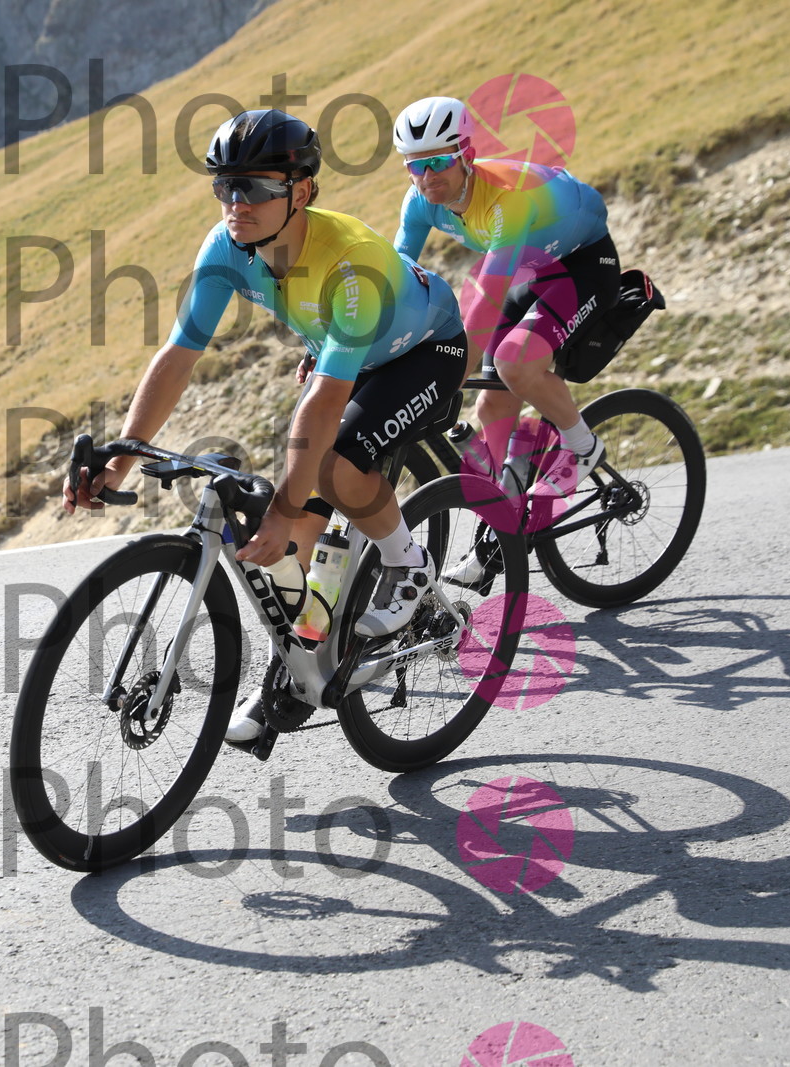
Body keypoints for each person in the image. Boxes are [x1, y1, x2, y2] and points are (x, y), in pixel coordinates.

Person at [62, 108, 468, 742]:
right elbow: (179, 355)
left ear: (301, 192)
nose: (236, 203)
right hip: (346, 347)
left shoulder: (351, 262)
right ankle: (301, 667)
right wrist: (120, 462)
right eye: (224, 186)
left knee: (326, 471)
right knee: (291, 544)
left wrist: (283, 506)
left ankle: (406, 562)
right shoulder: (228, 246)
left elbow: (324, 401)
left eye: (252, 188)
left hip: (424, 350)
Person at [391, 96, 620, 584]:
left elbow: (485, 305)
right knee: (492, 404)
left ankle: (582, 446)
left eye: (439, 161)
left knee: (515, 363)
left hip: (583, 262)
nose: (427, 176)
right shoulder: (420, 202)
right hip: (532, 266)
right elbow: (397, 283)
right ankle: (502, 525)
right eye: (415, 165)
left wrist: (444, 378)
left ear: (467, 154)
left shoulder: (504, 200)